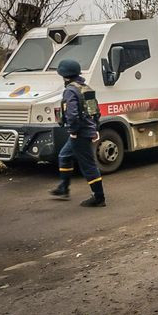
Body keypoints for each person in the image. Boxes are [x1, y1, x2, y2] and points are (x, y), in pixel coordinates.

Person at [49, 59, 106, 207]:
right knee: (64, 155)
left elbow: (72, 115)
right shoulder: (84, 87)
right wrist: (95, 128)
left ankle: (98, 198)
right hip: (86, 130)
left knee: (88, 165)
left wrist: (73, 131)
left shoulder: (70, 90)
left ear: (65, 76)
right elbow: (95, 112)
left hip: (79, 133)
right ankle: (64, 188)